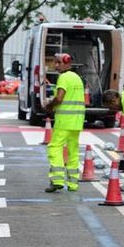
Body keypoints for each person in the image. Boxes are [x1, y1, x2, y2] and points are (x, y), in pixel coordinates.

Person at [44, 53, 85, 192]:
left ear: (66, 63)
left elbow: (59, 98)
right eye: (55, 62)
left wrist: (49, 106)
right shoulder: (77, 78)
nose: (55, 65)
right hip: (77, 122)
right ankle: (73, 184)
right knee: (73, 151)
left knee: (55, 147)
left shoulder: (64, 77)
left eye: (58, 62)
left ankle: (57, 179)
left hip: (65, 121)